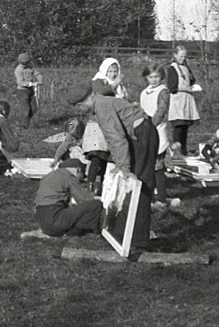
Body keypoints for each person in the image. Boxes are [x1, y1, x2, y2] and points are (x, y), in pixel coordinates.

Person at [67, 82, 156, 258]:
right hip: (139, 134)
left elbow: (117, 139)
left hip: (143, 134)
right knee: (134, 183)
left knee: (139, 185)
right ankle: (129, 234)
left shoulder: (102, 107)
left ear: (83, 103)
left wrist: (124, 168)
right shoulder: (103, 103)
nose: (80, 111)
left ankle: (138, 241)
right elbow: (116, 137)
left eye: (79, 107)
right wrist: (119, 163)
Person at [81, 57, 127, 193]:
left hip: (111, 124)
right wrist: (114, 84)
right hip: (97, 125)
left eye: (115, 70)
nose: (113, 74)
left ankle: (100, 186)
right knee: (97, 155)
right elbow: (101, 92)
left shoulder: (120, 86)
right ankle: (90, 184)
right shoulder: (99, 81)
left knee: (106, 158)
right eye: (110, 70)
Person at [34, 157, 104, 237]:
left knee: (73, 208)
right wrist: (96, 197)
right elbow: (82, 199)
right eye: (82, 175)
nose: (81, 180)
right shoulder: (69, 176)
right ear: (78, 170)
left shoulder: (49, 176)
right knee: (96, 205)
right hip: (54, 220)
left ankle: (51, 232)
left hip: (42, 221)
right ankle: (73, 233)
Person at [140, 64, 172, 204]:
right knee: (148, 166)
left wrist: (150, 126)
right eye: (151, 77)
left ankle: (162, 199)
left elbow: (161, 111)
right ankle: (149, 195)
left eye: (156, 77)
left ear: (161, 77)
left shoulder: (163, 91)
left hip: (157, 131)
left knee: (158, 168)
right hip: (145, 131)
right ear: (147, 77)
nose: (154, 80)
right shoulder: (144, 92)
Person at [166, 45, 201, 153]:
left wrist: (193, 87)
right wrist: (187, 89)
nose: (183, 59)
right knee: (179, 126)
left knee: (185, 126)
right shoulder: (173, 68)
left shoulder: (186, 68)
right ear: (175, 55)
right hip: (178, 100)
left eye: (184, 56)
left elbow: (191, 80)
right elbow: (172, 87)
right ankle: (176, 151)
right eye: (181, 56)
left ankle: (184, 150)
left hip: (187, 100)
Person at [13, 53, 42, 127]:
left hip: (30, 90)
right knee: (26, 109)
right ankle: (24, 126)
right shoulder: (18, 70)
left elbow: (36, 73)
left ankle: (27, 121)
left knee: (34, 108)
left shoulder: (30, 67)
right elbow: (20, 82)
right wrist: (31, 84)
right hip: (22, 91)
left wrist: (40, 79)